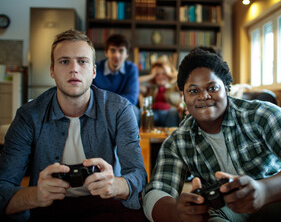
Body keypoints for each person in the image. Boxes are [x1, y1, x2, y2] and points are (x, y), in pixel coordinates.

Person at [142, 47, 281, 222]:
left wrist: (263, 190)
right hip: (228, 212)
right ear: (183, 97)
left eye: (212, 88)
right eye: (193, 90)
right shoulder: (178, 141)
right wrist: (177, 214)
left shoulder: (261, 113)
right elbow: (156, 192)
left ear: (227, 88)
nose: (204, 96)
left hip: (277, 198)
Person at [0, 30, 148, 221]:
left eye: (82, 61)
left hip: (103, 205)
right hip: (46, 207)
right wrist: (35, 195)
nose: (74, 69)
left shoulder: (119, 110)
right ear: (52, 70)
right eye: (64, 61)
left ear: (94, 71)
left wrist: (116, 185)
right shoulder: (28, 116)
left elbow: (138, 176)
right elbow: (3, 187)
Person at [92, 34, 140, 123]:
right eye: (112, 50)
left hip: (122, 108)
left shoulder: (131, 68)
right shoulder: (96, 67)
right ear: (106, 52)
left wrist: (111, 108)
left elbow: (132, 98)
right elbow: (91, 95)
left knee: (133, 110)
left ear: (127, 54)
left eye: (121, 51)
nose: (116, 55)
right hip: (100, 109)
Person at [139, 60, 183, 127]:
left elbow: (185, 79)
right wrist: (151, 75)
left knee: (173, 112)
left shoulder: (175, 87)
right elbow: (134, 83)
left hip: (169, 114)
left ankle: (171, 136)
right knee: (143, 111)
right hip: (153, 114)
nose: (160, 77)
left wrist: (170, 74)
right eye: (157, 74)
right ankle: (145, 136)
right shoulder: (150, 89)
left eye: (164, 74)